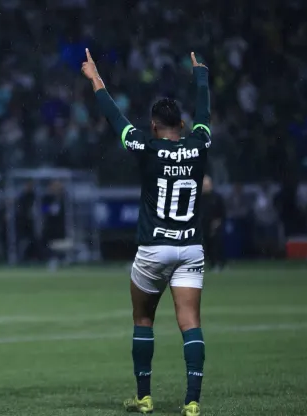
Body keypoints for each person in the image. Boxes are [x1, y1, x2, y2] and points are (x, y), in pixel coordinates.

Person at [82, 49, 210, 416]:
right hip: (190, 248)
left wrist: (95, 78)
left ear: (154, 126)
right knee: (190, 323)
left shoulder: (147, 147)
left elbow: (114, 118)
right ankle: (192, 401)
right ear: (182, 126)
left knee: (143, 319)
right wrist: (200, 77)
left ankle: (145, 397)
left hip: (154, 247)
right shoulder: (200, 144)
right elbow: (205, 115)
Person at [201, 176, 226, 271]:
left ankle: (218, 263)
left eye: (206, 185)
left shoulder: (217, 197)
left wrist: (217, 222)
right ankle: (208, 263)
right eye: (203, 185)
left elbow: (222, 212)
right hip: (202, 226)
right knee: (204, 246)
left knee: (216, 245)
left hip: (215, 225)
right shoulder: (199, 197)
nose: (205, 187)